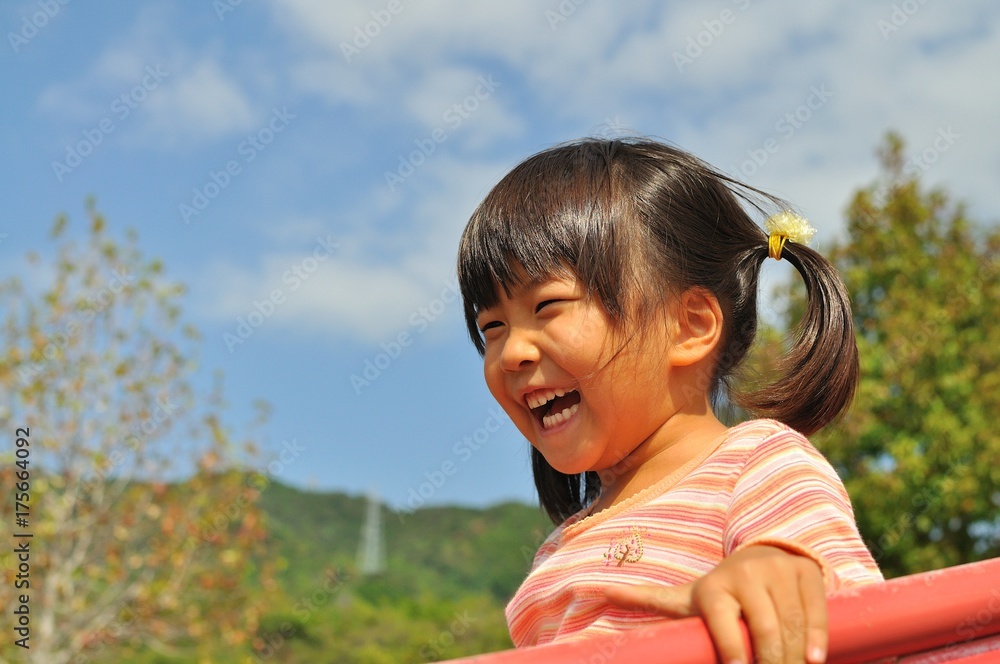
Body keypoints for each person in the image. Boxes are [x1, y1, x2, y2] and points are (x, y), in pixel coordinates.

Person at [456, 137, 883, 664]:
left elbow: (846, 609)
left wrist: (775, 569)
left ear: (690, 326)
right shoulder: (556, 553)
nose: (511, 353)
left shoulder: (756, 464)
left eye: (547, 305)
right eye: (492, 328)